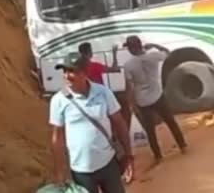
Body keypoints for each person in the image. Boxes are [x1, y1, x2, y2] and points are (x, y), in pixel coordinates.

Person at [49, 53, 134, 193]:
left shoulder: (103, 92)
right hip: (81, 172)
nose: (66, 75)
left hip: (108, 165)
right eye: (64, 71)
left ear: (85, 73)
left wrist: (129, 156)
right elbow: (57, 138)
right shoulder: (58, 100)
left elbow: (119, 124)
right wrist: (60, 172)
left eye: (72, 71)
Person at [123, 35, 187, 164]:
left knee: (150, 130)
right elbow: (168, 52)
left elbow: (129, 87)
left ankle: (158, 155)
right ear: (140, 45)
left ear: (131, 48)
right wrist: (154, 45)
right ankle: (182, 145)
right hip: (158, 96)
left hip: (142, 100)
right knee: (170, 121)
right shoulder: (153, 56)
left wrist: (131, 104)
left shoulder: (128, 65)